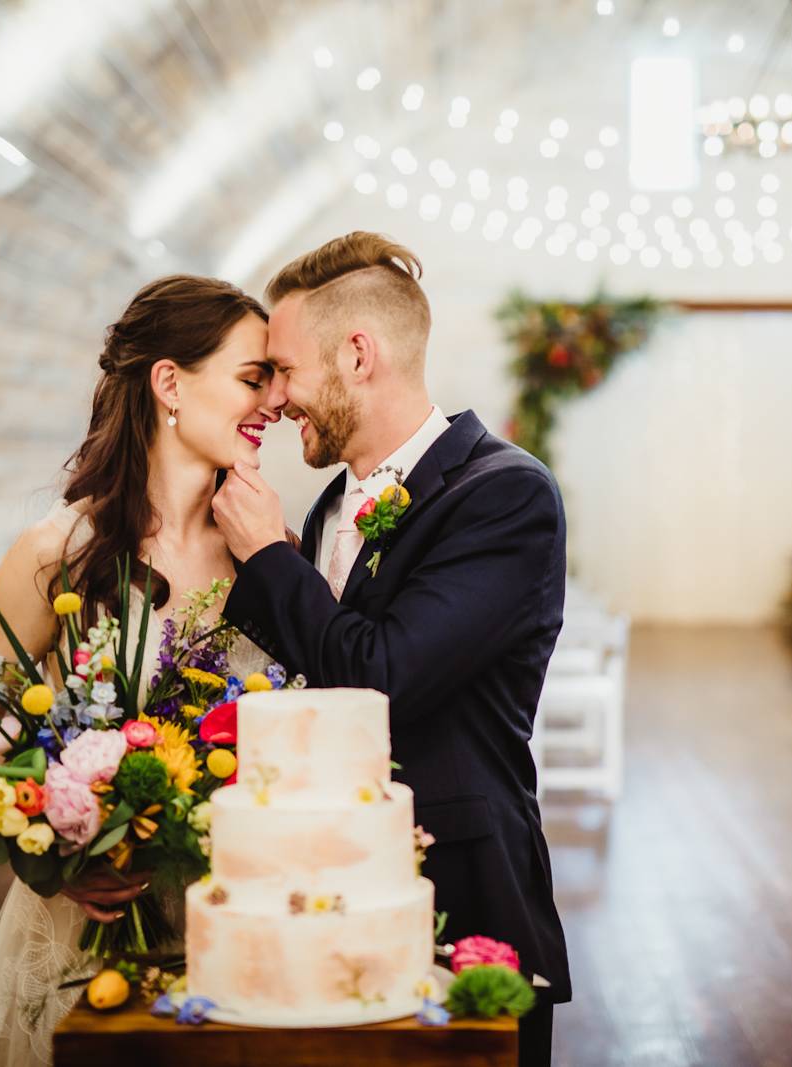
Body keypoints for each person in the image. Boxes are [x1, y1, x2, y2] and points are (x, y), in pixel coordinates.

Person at [211, 232, 571, 1066]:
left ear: (359, 354)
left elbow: (379, 677)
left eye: (287, 371)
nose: (279, 398)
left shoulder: (505, 493)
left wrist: (269, 559)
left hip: (459, 888)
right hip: (333, 883)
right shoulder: (330, 503)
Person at [0, 275, 284, 1066]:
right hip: (86, 925)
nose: (271, 403)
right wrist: (53, 863)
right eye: (250, 378)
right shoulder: (57, 552)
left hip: (228, 916)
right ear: (169, 381)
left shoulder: (271, 556)